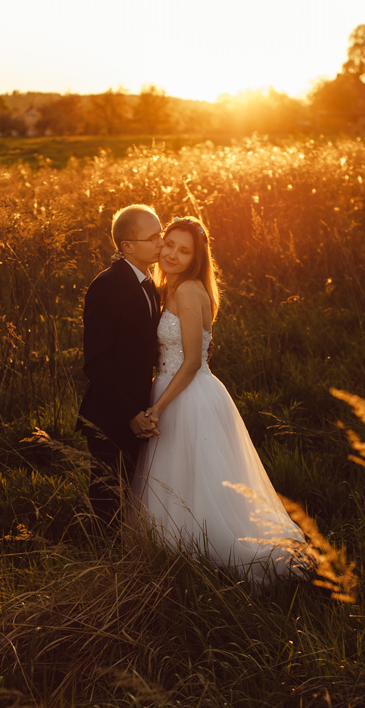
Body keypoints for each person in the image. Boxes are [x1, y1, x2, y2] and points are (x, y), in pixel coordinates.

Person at [131, 216, 306, 585]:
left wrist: (157, 408)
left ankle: (214, 551)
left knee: (204, 479)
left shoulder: (189, 291)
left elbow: (193, 360)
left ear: (196, 258)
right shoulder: (168, 288)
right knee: (180, 478)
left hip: (188, 395)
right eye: (170, 244)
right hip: (171, 387)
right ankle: (177, 550)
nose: (173, 254)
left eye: (184, 250)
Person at [78, 204, 164, 538]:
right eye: (153, 237)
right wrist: (130, 412)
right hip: (111, 414)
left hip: (140, 408)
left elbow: (141, 344)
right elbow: (97, 361)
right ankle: (102, 567)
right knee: (108, 500)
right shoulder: (108, 286)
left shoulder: (147, 282)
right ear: (127, 246)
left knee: (133, 492)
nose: (161, 242)